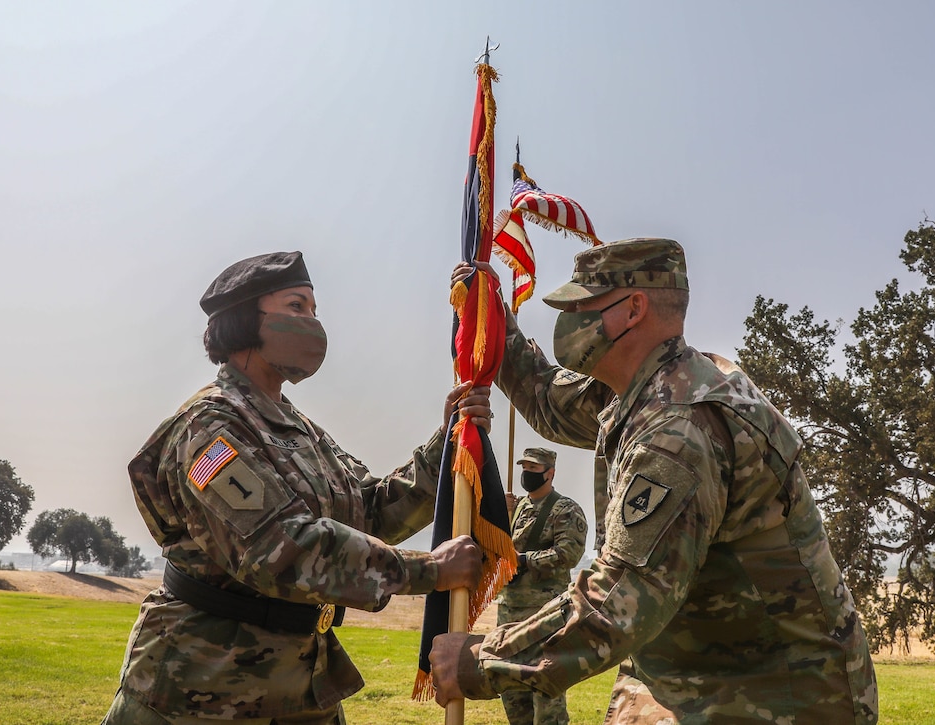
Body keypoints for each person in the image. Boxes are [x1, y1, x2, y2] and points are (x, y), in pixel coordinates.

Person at [431, 238, 879, 723]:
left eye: (583, 305)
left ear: (633, 309)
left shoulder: (678, 429)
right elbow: (547, 399)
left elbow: (621, 600)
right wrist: (491, 316)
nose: (569, 318)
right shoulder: (648, 388)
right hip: (690, 675)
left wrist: (481, 659)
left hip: (773, 694)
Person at [102, 251, 488, 725]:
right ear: (245, 322)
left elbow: (370, 513)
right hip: (200, 688)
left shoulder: (300, 429)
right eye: (296, 307)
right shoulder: (208, 429)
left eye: (314, 310)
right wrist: (429, 571)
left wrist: (448, 443)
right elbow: (279, 549)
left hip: (299, 686)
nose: (312, 322)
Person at [498, 446, 587, 725]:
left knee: (545, 688)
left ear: (550, 473)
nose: (527, 473)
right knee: (511, 688)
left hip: (544, 613)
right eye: (524, 468)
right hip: (509, 610)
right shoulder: (517, 508)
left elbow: (567, 555)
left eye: (534, 469)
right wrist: (502, 516)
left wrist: (523, 560)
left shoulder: (565, 509)